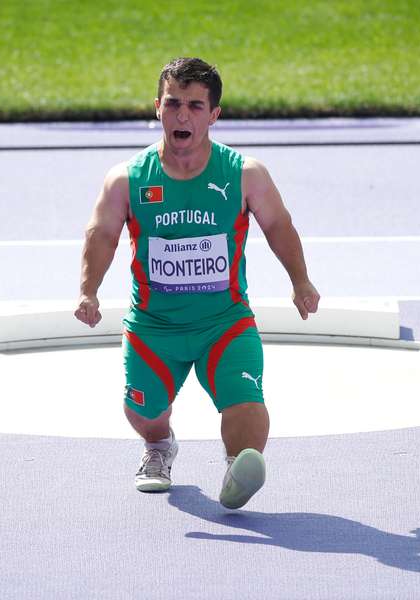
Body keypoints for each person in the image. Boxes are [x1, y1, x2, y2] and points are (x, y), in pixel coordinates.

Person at [74, 57, 319, 509]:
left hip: (224, 323)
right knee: (142, 410)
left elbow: (278, 226)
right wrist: (89, 289)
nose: (181, 115)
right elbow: (102, 234)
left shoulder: (245, 174)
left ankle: (237, 467)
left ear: (214, 114)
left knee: (244, 400)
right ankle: (159, 446)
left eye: (194, 105)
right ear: (157, 108)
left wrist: (300, 281)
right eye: (172, 104)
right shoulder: (127, 179)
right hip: (154, 328)